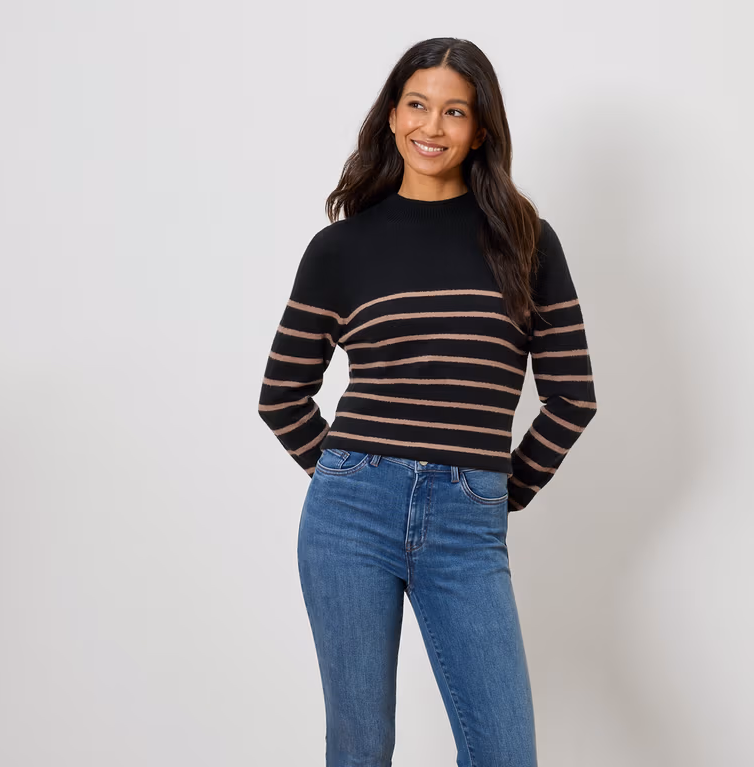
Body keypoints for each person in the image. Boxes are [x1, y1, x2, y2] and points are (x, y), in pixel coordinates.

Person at [258, 37, 597, 767]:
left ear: (481, 130)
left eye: (454, 111)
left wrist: (498, 489)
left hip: (468, 524)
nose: (431, 127)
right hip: (349, 519)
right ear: (391, 115)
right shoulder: (340, 249)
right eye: (417, 104)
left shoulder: (528, 243)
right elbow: (281, 393)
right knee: (360, 748)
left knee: (505, 752)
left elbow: (573, 396)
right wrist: (345, 474)